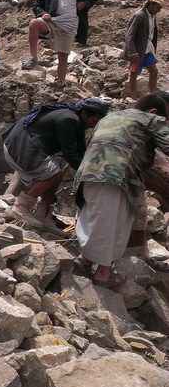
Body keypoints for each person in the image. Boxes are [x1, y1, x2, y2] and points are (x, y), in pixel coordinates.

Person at [72, 94, 169, 287]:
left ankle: (85, 260)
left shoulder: (109, 118)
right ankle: (103, 273)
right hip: (118, 174)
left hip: (88, 172)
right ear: (153, 111)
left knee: (98, 218)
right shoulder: (152, 120)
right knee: (114, 223)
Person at [2, 98, 109, 236]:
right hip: (19, 146)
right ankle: (21, 206)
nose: (93, 126)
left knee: (56, 177)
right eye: (93, 121)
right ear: (84, 113)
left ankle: (44, 216)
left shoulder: (77, 120)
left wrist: (93, 169)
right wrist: (86, 175)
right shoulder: (68, 119)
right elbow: (70, 153)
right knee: (55, 175)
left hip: (23, 146)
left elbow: (81, 150)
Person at [22, 0, 98, 83]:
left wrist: (84, 4)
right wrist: (43, 14)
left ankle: (60, 83)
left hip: (69, 25)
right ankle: (33, 57)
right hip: (52, 21)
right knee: (34, 23)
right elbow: (37, 6)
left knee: (63, 57)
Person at [124, 0, 164, 99]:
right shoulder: (139, 15)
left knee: (154, 72)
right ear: (150, 5)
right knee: (134, 74)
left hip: (148, 49)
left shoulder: (151, 17)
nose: (158, 10)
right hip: (138, 51)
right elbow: (129, 35)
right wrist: (133, 53)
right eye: (157, 7)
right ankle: (133, 98)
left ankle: (153, 96)